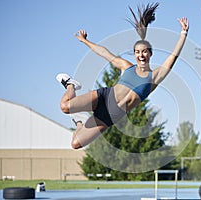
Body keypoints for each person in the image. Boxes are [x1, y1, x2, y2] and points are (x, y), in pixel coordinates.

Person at [56, 3, 189, 149]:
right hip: (103, 97)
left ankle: (79, 121)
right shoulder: (127, 67)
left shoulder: (154, 77)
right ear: (134, 54)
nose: (141, 55)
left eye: (145, 51)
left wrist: (183, 34)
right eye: (138, 52)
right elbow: (105, 53)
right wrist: (86, 41)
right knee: (65, 107)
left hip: (110, 116)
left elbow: (173, 56)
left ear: (150, 53)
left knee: (75, 143)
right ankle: (70, 84)